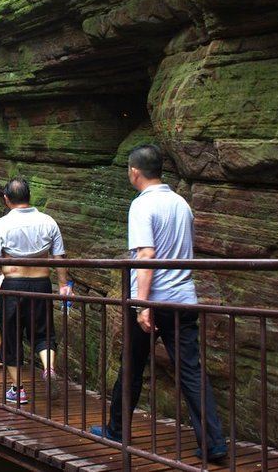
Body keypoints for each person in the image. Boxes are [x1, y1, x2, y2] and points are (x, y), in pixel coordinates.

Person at [90, 144, 226, 462]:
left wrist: (141, 304)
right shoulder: (181, 204)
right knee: (191, 372)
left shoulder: (142, 206)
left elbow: (146, 256)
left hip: (153, 300)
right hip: (184, 300)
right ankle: (214, 443)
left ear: (134, 172)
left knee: (132, 367)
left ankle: (117, 428)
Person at [0, 177, 72, 405]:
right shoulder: (48, 221)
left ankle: (18, 389)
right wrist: (64, 286)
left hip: (12, 286)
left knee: (11, 338)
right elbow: (59, 257)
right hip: (42, 285)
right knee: (44, 334)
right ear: (29, 196)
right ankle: (49, 368)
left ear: (6, 199)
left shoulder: (2, 224)